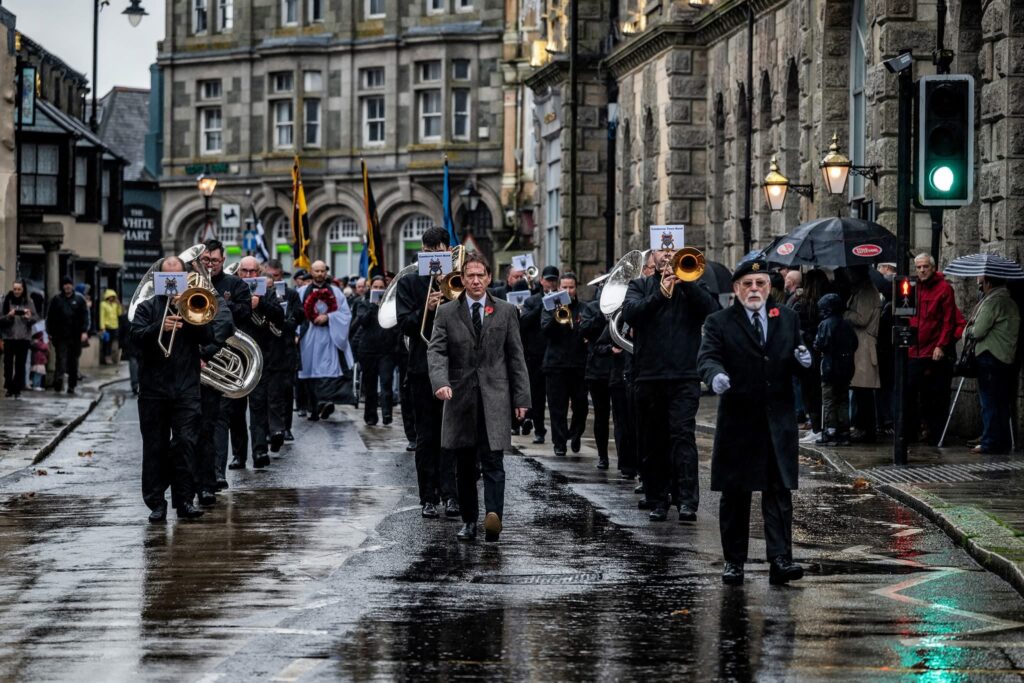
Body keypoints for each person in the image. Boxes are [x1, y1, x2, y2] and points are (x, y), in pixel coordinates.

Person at [697, 258, 812, 586]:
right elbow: (707, 357)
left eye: (760, 283)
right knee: (736, 495)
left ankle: (780, 560)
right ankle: (734, 562)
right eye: (747, 284)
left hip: (777, 420)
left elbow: (798, 358)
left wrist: (804, 360)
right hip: (739, 420)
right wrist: (715, 375)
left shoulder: (786, 318)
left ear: (769, 287)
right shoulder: (719, 322)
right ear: (736, 289)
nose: (754, 289)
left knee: (778, 493)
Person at [427, 253, 530, 542]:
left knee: (494, 461)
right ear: (463, 278)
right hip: (460, 397)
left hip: (495, 398)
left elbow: (516, 357)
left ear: (488, 278)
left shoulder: (507, 311)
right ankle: (469, 521)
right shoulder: (447, 312)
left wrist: (522, 399)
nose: (475, 280)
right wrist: (440, 382)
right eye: (469, 275)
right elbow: (436, 351)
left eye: (480, 275)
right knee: (465, 464)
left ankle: (493, 518)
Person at [128, 256, 233, 523]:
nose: (173, 282)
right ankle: (156, 502)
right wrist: (157, 328)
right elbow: (134, 341)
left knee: (186, 443)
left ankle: (184, 500)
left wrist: (189, 317)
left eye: (178, 276)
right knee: (155, 447)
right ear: (159, 280)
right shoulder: (146, 308)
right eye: (167, 277)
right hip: (153, 389)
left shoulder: (193, 306)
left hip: (186, 387)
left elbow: (209, 336)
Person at [621, 249, 719, 522]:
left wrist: (686, 282)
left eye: (673, 252)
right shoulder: (639, 286)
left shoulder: (695, 286)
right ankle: (657, 499)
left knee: (682, 437)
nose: (668, 257)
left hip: (684, 376)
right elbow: (631, 314)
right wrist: (660, 295)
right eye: (663, 253)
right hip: (649, 375)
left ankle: (687, 501)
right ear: (652, 259)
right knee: (653, 441)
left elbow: (713, 312)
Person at [396, 226, 459, 519]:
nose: (435, 255)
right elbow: (406, 325)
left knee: (453, 436)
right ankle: (428, 497)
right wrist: (428, 306)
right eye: (429, 250)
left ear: (449, 250)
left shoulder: (458, 281)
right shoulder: (409, 283)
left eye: (440, 250)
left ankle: (452, 494)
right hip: (422, 368)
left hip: (455, 368)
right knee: (427, 436)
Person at [200, 240, 253, 492]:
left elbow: (244, 312)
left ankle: (218, 472)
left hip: (227, 361)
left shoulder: (235, 284)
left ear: (223, 261)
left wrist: (219, 302)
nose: (210, 265)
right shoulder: (192, 282)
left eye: (215, 261)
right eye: (206, 261)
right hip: (197, 360)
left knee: (223, 416)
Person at [233, 256, 285, 469]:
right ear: (238, 273)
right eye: (244, 271)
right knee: (235, 411)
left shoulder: (267, 291)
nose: (248, 275)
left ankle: (260, 450)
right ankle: (238, 455)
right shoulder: (232, 290)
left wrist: (260, 302)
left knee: (258, 407)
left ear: (259, 272)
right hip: (236, 359)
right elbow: (225, 314)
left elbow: (280, 316)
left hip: (260, 357)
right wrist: (246, 304)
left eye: (252, 271)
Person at [907, 253, 964, 445]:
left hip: (933, 351)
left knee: (935, 395)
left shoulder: (944, 289)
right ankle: (916, 431)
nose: (922, 270)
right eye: (918, 267)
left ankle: (934, 433)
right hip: (915, 350)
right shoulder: (914, 288)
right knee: (912, 392)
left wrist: (941, 345)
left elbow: (948, 320)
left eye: (925, 267)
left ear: (932, 267)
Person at [967, 275, 1020, 454]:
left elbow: (979, 330)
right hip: (1006, 357)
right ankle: (1001, 440)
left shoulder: (992, 303)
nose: (981, 287)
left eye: (982, 284)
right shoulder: (1011, 302)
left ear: (989, 283)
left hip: (990, 356)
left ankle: (990, 441)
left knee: (988, 401)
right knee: (1001, 401)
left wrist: (969, 330)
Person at [297, 260, 353, 421]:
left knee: (328, 368)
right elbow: (297, 312)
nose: (320, 274)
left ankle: (325, 401)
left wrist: (328, 317)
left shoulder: (336, 292)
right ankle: (313, 407)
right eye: (317, 271)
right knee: (309, 371)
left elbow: (345, 314)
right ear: (311, 272)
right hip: (309, 336)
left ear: (326, 272)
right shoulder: (302, 291)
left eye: (322, 271)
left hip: (329, 334)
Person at [541, 273, 588, 457]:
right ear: (558, 288)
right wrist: (556, 314)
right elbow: (545, 330)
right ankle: (559, 443)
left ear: (576, 289)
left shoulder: (584, 308)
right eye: (564, 287)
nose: (568, 291)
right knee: (557, 407)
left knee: (581, 406)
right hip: (556, 365)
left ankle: (575, 435)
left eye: (571, 287)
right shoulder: (548, 306)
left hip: (578, 364)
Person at [264, 260, 304, 447]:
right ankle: (269, 428)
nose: (273, 279)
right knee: (267, 392)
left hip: (286, 347)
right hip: (268, 347)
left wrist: (286, 318)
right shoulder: (261, 293)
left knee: (286, 389)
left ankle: (286, 427)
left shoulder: (291, 294)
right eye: (269, 276)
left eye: (276, 276)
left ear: (281, 275)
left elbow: (299, 316)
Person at [518, 266, 558, 445]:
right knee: (538, 395)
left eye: (553, 280)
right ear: (541, 281)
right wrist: (543, 304)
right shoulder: (532, 301)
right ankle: (539, 430)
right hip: (535, 354)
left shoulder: (562, 300)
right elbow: (524, 322)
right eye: (548, 280)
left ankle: (560, 434)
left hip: (556, 354)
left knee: (557, 398)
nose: (550, 283)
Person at [351, 276, 399, 426]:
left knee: (386, 382)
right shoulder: (363, 303)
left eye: (381, 287)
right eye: (375, 287)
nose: (378, 290)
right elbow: (362, 322)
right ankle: (370, 416)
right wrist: (373, 306)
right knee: (370, 385)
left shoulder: (391, 305)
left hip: (386, 350)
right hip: (368, 350)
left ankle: (386, 413)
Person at [793, 269, 832, 442]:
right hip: (823, 353)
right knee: (821, 392)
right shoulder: (826, 304)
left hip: (807, 353)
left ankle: (817, 426)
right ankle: (822, 426)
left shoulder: (802, 304)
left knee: (810, 392)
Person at [814, 293, 858, 446]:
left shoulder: (825, 324)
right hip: (845, 367)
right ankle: (844, 431)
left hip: (829, 367)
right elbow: (854, 343)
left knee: (829, 400)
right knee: (843, 400)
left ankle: (830, 430)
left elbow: (820, 344)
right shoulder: (846, 324)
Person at [843, 266, 881, 443]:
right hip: (859, 344)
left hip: (864, 344)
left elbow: (861, 318)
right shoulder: (860, 290)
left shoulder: (866, 291)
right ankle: (862, 427)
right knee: (859, 391)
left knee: (864, 391)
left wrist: (845, 313)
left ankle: (866, 429)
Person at [580, 292, 613, 470]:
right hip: (597, 369)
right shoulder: (591, 308)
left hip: (618, 368)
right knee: (601, 416)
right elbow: (585, 330)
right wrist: (603, 312)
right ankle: (603, 456)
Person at [46, 277, 90, 394]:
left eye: (69, 284)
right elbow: (50, 317)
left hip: (75, 336)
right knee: (61, 359)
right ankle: (58, 381)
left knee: (73, 361)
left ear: (72, 285)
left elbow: (85, 317)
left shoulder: (79, 300)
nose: (67, 287)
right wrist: (50, 332)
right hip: (60, 336)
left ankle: (72, 385)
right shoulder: (56, 300)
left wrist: (84, 331)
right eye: (65, 284)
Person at [1, 280, 38, 398]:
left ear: (23, 290)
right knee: (8, 364)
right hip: (9, 336)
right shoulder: (6, 301)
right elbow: (1, 318)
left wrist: (28, 317)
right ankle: (9, 386)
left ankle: (17, 388)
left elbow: (35, 318)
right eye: (15, 289)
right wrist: (9, 316)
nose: (16, 292)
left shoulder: (29, 302)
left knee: (20, 364)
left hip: (23, 337)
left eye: (19, 289)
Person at [99, 290, 122, 365]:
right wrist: (102, 327)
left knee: (113, 342)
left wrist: (118, 305)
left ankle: (113, 357)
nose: (112, 298)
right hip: (107, 326)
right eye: (111, 296)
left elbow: (119, 313)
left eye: (114, 297)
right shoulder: (103, 304)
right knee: (107, 343)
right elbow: (102, 316)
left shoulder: (115, 304)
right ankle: (107, 358)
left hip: (115, 326)